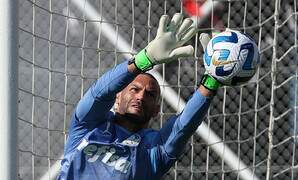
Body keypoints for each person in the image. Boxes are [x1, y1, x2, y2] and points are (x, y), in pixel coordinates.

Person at [58, 13, 221, 180]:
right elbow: (99, 94)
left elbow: (184, 125)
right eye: (134, 89)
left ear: (157, 110)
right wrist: (145, 59)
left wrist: (212, 80)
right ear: (118, 97)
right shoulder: (88, 125)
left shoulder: (155, 150)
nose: (141, 96)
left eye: (150, 94)